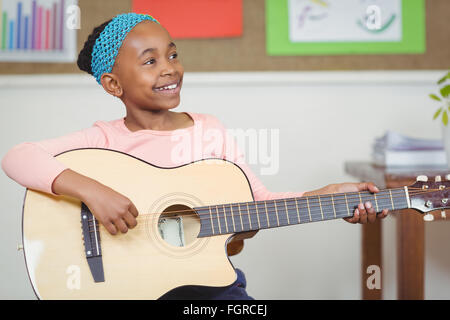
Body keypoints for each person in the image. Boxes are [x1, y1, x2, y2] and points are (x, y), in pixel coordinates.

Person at [1, 13, 388, 300]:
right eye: (150, 61)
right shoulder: (103, 139)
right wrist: (91, 191)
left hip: (210, 290)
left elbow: (257, 206)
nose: (170, 69)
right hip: (129, 289)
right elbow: (18, 156)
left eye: (172, 55)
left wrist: (330, 196)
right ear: (113, 84)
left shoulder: (208, 129)